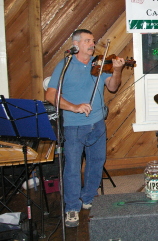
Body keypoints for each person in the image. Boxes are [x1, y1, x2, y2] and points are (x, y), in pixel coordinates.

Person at [45, 29, 125, 227]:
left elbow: (113, 87)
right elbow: (50, 95)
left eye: (93, 40)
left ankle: (88, 198)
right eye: (88, 41)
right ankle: (72, 206)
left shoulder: (98, 64)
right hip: (73, 126)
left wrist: (117, 70)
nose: (92, 44)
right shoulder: (64, 65)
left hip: (97, 123)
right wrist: (74, 107)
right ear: (76, 45)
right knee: (72, 167)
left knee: (96, 162)